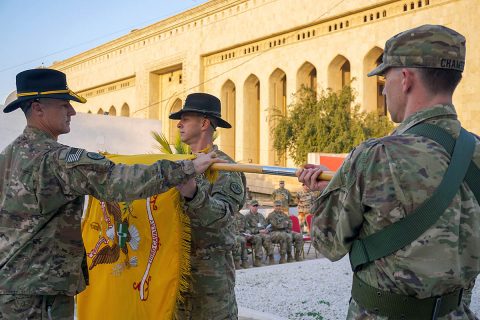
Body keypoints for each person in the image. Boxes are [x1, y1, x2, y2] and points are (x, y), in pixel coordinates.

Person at [0, 69, 223, 319]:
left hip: (10, 286)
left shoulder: (7, 156)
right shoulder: (57, 159)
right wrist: (187, 168)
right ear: (38, 108)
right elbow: (119, 181)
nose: (72, 112)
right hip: (40, 295)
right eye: (64, 105)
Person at [298, 25, 480, 319]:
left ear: (406, 79)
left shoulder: (375, 155)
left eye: (386, 78)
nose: (383, 88)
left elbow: (327, 242)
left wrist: (318, 196)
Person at [170, 93, 246, 320]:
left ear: (204, 124)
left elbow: (223, 215)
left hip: (209, 278)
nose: (179, 124)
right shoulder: (178, 165)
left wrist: (193, 194)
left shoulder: (224, 167)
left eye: (186, 118)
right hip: (176, 272)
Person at [244, 200, 274, 266]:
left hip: (263, 233)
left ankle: (271, 256)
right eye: (254, 206)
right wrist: (258, 231)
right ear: (250, 206)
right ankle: (258, 260)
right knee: (258, 238)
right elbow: (247, 229)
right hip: (253, 235)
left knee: (267, 237)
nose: (255, 207)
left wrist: (267, 230)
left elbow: (266, 225)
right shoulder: (247, 217)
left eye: (257, 206)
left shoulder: (260, 216)